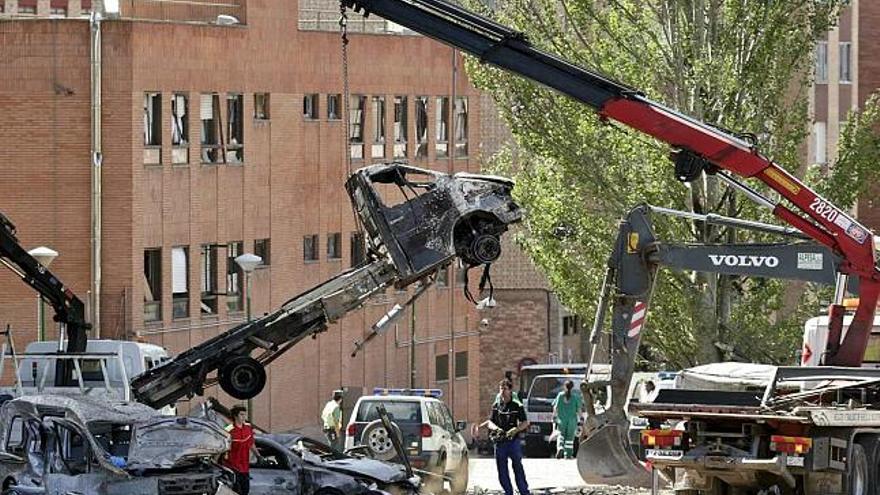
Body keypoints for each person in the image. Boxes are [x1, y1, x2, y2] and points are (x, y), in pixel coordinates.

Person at [486, 379, 531, 495]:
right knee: (502, 470)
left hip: (513, 442)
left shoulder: (516, 405)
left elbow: (525, 422)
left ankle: (524, 491)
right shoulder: (496, 406)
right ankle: (508, 491)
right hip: (500, 442)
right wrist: (496, 429)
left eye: (505, 389)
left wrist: (515, 429)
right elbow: (490, 422)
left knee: (517, 467)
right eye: (501, 388)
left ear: (510, 390)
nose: (502, 391)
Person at [224, 405, 260, 495]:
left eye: (245, 414)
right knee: (235, 492)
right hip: (232, 467)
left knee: (245, 491)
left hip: (245, 468)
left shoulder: (248, 428)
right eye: (241, 414)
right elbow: (223, 448)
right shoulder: (228, 431)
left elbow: (251, 443)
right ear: (235, 416)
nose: (244, 417)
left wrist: (258, 456)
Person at [551, 379, 583, 459]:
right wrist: (581, 419)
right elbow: (579, 410)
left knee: (561, 435)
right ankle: (568, 454)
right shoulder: (576, 397)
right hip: (572, 421)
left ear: (564, 386)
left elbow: (555, 407)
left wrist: (554, 417)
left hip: (561, 419)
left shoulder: (560, 395)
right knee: (570, 438)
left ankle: (560, 447)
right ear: (572, 387)